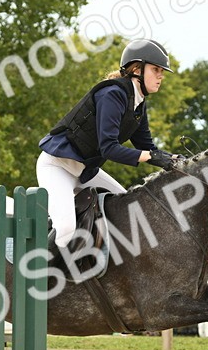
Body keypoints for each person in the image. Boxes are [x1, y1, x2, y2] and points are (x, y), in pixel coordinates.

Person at [36, 39, 180, 250]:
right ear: (137, 69)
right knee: (66, 227)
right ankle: (35, 278)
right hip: (57, 166)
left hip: (85, 172)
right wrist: (149, 156)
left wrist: (177, 160)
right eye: (156, 69)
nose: (161, 76)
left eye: (162, 71)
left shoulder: (138, 103)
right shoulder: (112, 94)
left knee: (127, 211)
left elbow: (149, 148)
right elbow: (109, 148)